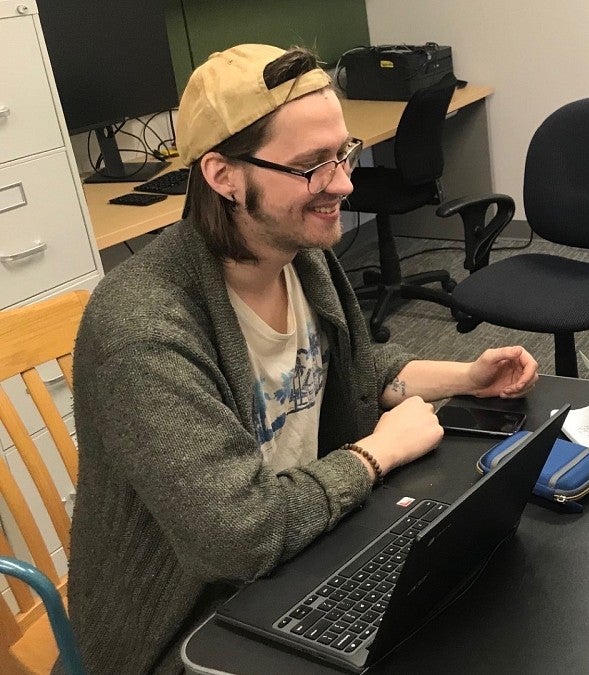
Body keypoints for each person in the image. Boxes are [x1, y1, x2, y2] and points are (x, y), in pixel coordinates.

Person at [65, 44, 538, 674]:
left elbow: (345, 369)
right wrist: (378, 453)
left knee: (489, 599)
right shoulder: (144, 326)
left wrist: (467, 376)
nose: (344, 183)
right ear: (222, 176)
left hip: (307, 552)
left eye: (342, 153)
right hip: (192, 627)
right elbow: (240, 538)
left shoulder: (299, 254)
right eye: (311, 165)